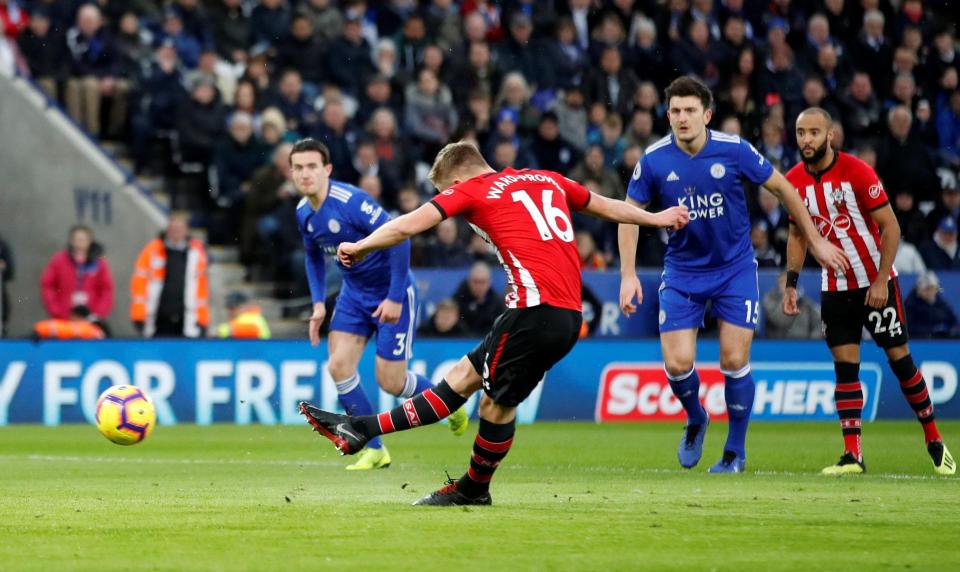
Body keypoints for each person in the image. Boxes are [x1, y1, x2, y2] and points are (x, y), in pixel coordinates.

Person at [300, 140, 689, 506]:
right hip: (559, 314)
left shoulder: (472, 190)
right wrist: (655, 218)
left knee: (495, 406)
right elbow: (606, 205)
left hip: (534, 312)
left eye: (443, 191)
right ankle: (364, 429)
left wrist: (361, 245)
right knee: (463, 377)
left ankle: (472, 489)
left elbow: (406, 225)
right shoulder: (546, 179)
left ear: (454, 182)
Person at [618, 76, 848, 474]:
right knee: (677, 364)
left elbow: (785, 189)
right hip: (683, 271)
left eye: (691, 110)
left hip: (734, 269)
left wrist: (816, 241)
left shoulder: (735, 150)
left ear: (706, 114)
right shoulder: (653, 160)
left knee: (734, 357)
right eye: (675, 111)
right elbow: (627, 215)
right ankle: (696, 417)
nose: (683, 118)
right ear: (667, 115)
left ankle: (734, 453)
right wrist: (627, 274)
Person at [784, 107, 955, 476]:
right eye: (801, 133)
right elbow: (797, 235)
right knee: (845, 370)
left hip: (875, 284)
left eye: (814, 132)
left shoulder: (858, 171)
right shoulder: (793, 181)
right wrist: (791, 284)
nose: (807, 140)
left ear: (830, 136)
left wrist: (880, 281)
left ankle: (934, 438)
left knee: (901, 361)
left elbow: (890, 227)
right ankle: (853, 456)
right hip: (835, 289)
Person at [289, 138, 469, 471]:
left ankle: (449, 400)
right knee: (338, 366)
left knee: (391, 381)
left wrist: (394, 297)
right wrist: (318, 304)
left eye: (312, 166)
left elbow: (400, 239)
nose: (305, 174)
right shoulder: (303, 212)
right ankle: (374, 449)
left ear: (327, 169)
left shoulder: (352, 202)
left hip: (391, 289)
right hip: (354, 294)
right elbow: (313, 255)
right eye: (298, 167)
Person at [130, 213, 209, 338]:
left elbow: (201, 291)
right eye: (173, 229)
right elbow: (139, 285)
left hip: (187, 318)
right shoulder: (153, 251)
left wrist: (202, 320)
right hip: (157, 318)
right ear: (168, 230)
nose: (176, 232)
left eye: (180, 229)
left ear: (186, 231)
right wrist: (139, 315)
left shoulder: (196, 253)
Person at [40, 225, 114, 324]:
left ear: (90, 241)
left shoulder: (99, 262)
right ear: (71, 241)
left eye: (84, 239)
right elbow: (47, 285)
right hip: (63, 318)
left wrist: (97, 315)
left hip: (91, 319)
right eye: (77, 239)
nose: (80, 243)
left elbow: (106, 289)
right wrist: (56, 311)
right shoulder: (59, 260)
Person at [762, 272, 820, 339]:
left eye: (789, 281)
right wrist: (786, 299)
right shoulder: (769, 299)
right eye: (783, 282)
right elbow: (778, 320)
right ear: (778, 283)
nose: (786, 285)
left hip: (803, 344)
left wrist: (812, 340)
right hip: (777, 344)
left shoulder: (805, 302)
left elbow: (818, 323)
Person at [904, 271, 959, 339]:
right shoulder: (910, 304)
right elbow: (907, 327)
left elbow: (954, 322)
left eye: (932, 288)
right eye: (927, 289)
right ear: (919, 289)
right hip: (919, 342)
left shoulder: (941, 303)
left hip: (941, 342)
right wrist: (930, 331)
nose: (930, 292)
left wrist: (949, 331)